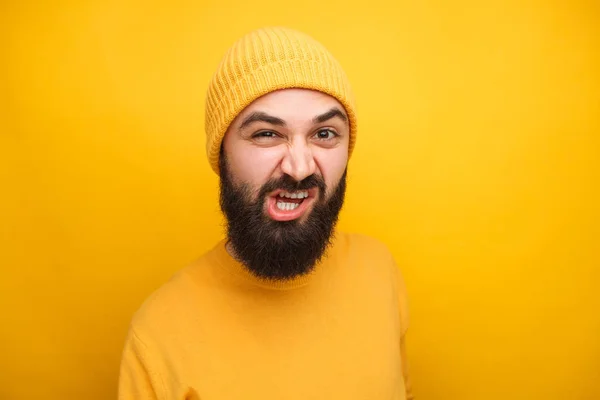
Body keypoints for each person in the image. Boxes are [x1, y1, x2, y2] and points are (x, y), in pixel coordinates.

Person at [118, 26, 414, 400]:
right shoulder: (158, 335)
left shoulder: (379, 271)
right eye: (266, 134)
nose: (300, 167)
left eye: (324, 133)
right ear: (221, 153)